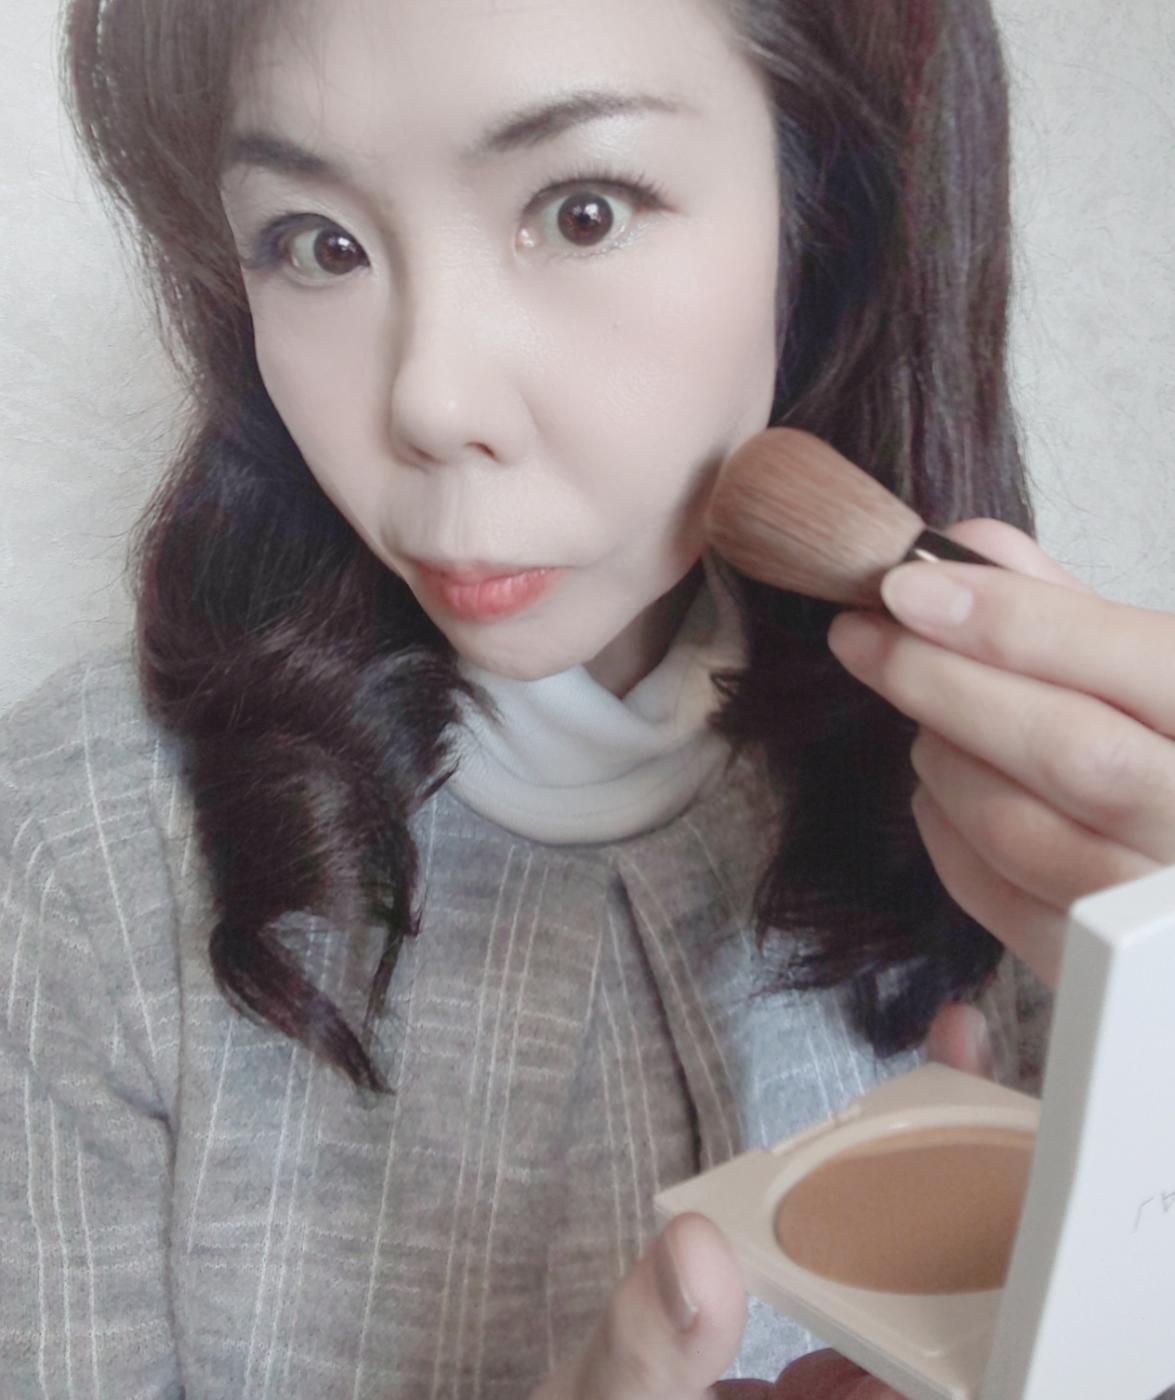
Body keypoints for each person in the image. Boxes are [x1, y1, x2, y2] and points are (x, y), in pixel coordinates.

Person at [4, 0, 1174, 1396]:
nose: (430, 402)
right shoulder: (82, 854)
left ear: (824, 216)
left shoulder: (1007, 782)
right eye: (317, 244)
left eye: (581, 213)